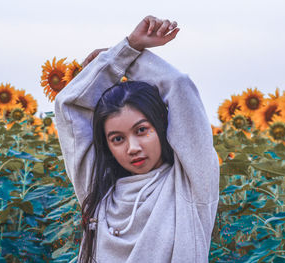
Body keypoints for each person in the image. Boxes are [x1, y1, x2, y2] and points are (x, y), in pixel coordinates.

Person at [54, 15, 220, 263]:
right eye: (117, 139)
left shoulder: (189, 186)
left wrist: (128, 52)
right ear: (107, 146)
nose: (133, 148)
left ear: (162, 128)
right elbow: (67, 106)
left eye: (142, 130)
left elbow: (179, 86)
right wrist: (119, 55)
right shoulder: (98, 190)